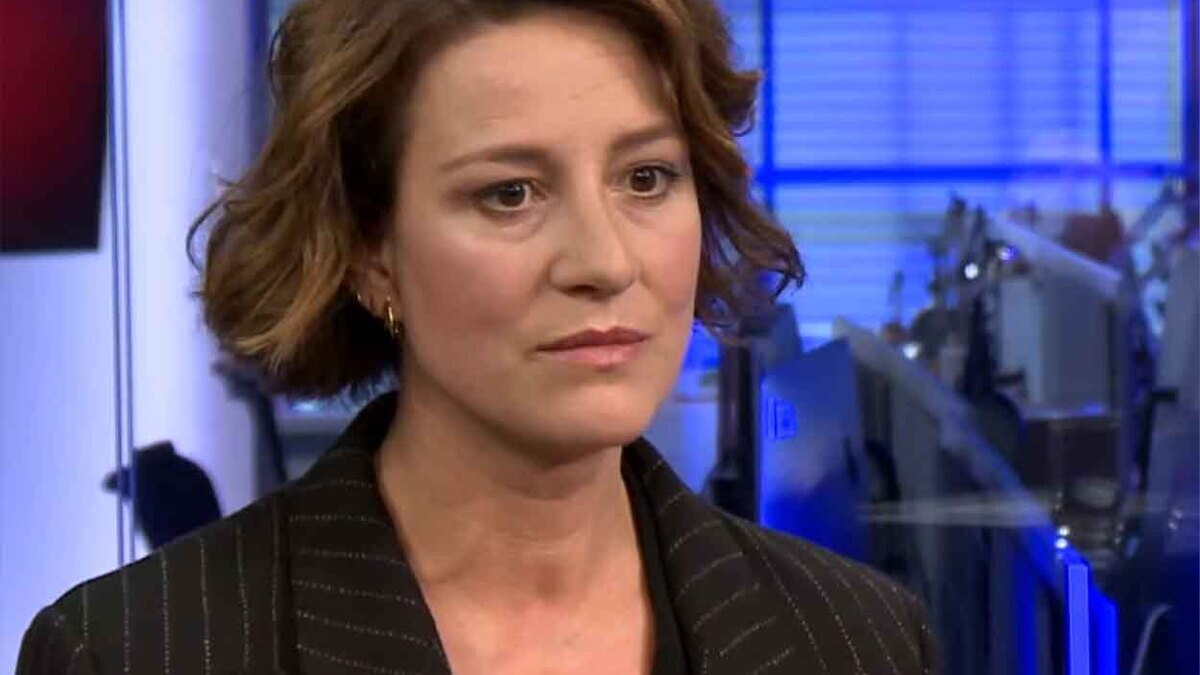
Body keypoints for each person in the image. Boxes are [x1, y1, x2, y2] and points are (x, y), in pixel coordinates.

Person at [18, 1, 939, 672]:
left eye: (647, 178)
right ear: (371, 252)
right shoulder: (134, 650)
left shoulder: (862, 641)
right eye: (510, 193)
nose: (604, 261)